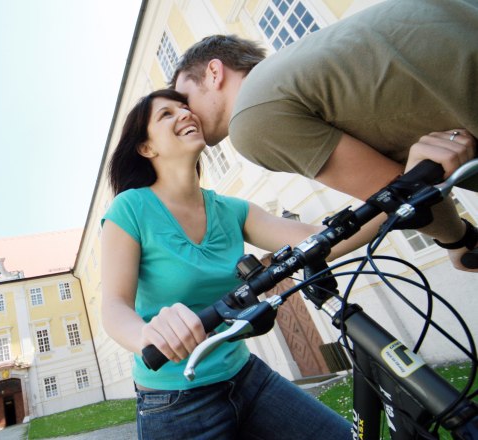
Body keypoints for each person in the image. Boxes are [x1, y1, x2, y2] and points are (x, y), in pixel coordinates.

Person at [101, 89, 368, 439]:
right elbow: (114, 306)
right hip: (174, 400)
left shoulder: (231, 209)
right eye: (166, 114)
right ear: (147, 148)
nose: (185, 114)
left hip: (246, 377)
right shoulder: (130, 209)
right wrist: (145, 335)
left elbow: (316, 240)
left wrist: (400, 197)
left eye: (185, 107)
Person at [171, 0, 478, 271]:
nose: (184, 113)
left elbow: (402, 197)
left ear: (214, 72)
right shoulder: (300, 63)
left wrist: (459, 241)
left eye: (183, 99)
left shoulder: (251, 120)